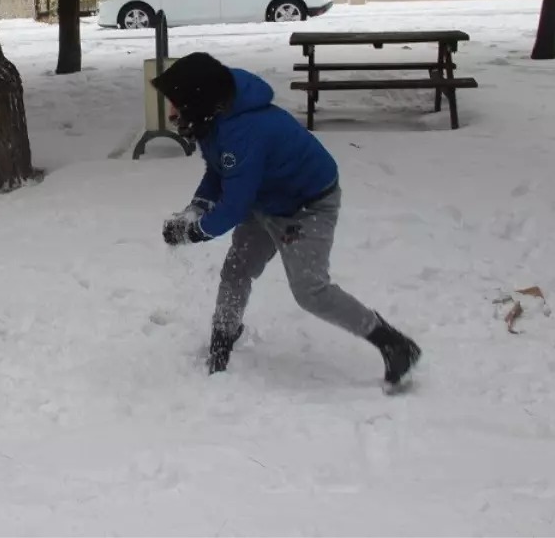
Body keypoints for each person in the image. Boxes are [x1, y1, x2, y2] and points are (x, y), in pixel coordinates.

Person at [152, 52, 421, 391]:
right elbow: (219, 172)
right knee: (236, 270)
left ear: (198, 100)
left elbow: (234, 204)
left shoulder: (245, 131)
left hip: (306, 207)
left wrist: (195, 230)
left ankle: (394, 343)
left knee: (311, 291)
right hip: (263, 198)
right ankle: (224, 335)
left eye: (176, 103)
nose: (172, 113)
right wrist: (195, 208)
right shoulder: (215, 116)